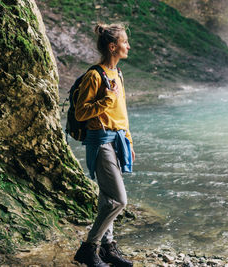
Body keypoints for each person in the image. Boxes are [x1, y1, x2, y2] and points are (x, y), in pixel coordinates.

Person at [73, 23, 135, 267]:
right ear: (113, 47)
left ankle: (108, 249)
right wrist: (106, 99)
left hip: (118, 140)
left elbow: (121, 113)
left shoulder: (118, 74)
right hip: (101, 141)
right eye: (124, 42)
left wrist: (128, 140)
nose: (128, 46)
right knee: (119, 200)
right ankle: (89, 248)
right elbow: (80, 113)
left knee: (106, 198)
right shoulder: (94, 75)